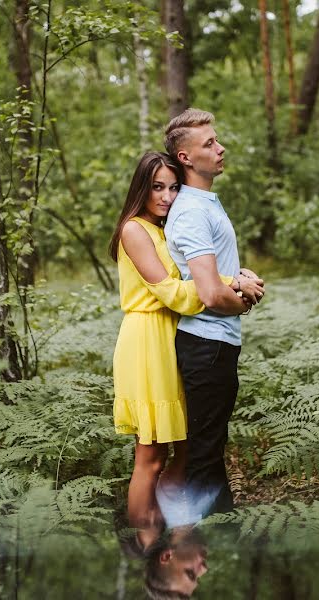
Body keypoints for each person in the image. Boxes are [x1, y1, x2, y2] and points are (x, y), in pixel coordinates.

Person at [108, 151, 263, 553]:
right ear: (141, 187)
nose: (166, 195)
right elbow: (172, 291)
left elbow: (196, 274)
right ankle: (141, 546)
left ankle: (172, 526)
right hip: (146, 341)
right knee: (150, 453)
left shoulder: (164, 228)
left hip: (173, 338)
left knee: (185, 445)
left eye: (173, 187)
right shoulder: (134, 230)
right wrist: (232, 285)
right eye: (156, 187)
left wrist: (231, 279)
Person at [164, 109, 264, 516]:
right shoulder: (191, 211)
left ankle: (216, 542)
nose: (220, 148)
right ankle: (215, 544)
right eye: (208, 143)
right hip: (206, 345)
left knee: (208, 447)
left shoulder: (204, 204)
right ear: (185, 157)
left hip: (215, 344)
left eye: (216, 140)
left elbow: (214, 274)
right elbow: (208, 292)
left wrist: (240, 277)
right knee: (204, 454)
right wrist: (243, 299)